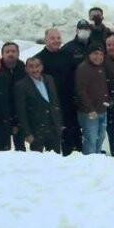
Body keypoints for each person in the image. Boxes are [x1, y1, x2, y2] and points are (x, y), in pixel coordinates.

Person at [33, 28, 80, 156]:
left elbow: (74, 77)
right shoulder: (38, 59)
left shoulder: (68, 55)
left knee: (71, 138)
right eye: (52, 38)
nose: (56, 41)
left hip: (68, 103)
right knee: (53, 142)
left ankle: (74, 159)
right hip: (50, 106)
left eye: (58, 38)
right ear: (46, 40)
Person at [14, 57, 63, 153]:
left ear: (42, 67)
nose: (35, 69)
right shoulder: (21, 85)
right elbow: (21, 111)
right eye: (31, 67)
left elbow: (55, 102)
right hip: (35, 130)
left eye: (37, 66)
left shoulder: (49, 79)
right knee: (37, 159)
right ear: (26, 69)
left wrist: (59, 123)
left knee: (56, 157)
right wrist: (27, 133)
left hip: (53, 127)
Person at [75, 46, 109, 155]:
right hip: (89, 112)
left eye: (101, 54)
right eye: (95, 53)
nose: (98, 57)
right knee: (91, 139)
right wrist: (90, 109)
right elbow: (81, 91)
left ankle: (97, 158)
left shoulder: (102, 67)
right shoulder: (83, 68)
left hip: (102, 109)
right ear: (89, 55)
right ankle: (89, 160)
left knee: (101, 137)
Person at [0, 42, 29, 151]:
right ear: (2, 54)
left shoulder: (23, 69)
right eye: (7, 52)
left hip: (19, 112)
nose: (10, 54)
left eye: (13, 51)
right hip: (2, 114)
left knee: (20, 148)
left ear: (18, 53)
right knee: (2, 148)